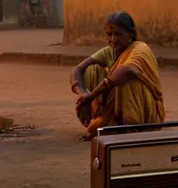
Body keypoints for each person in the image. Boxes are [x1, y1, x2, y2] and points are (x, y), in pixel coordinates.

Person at [69, 11, 165, 139]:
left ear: (130, 36)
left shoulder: (140, 48)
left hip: (146, 111)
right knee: (92, 69)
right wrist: (82, 94)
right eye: (109, 34)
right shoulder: (109, 51)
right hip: (112, 112)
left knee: (124, 79)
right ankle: (107, 121)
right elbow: (77, 70)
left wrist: (92, 95)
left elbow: (126, 71)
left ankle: (128, 126)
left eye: (118, 34)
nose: (113, 39)